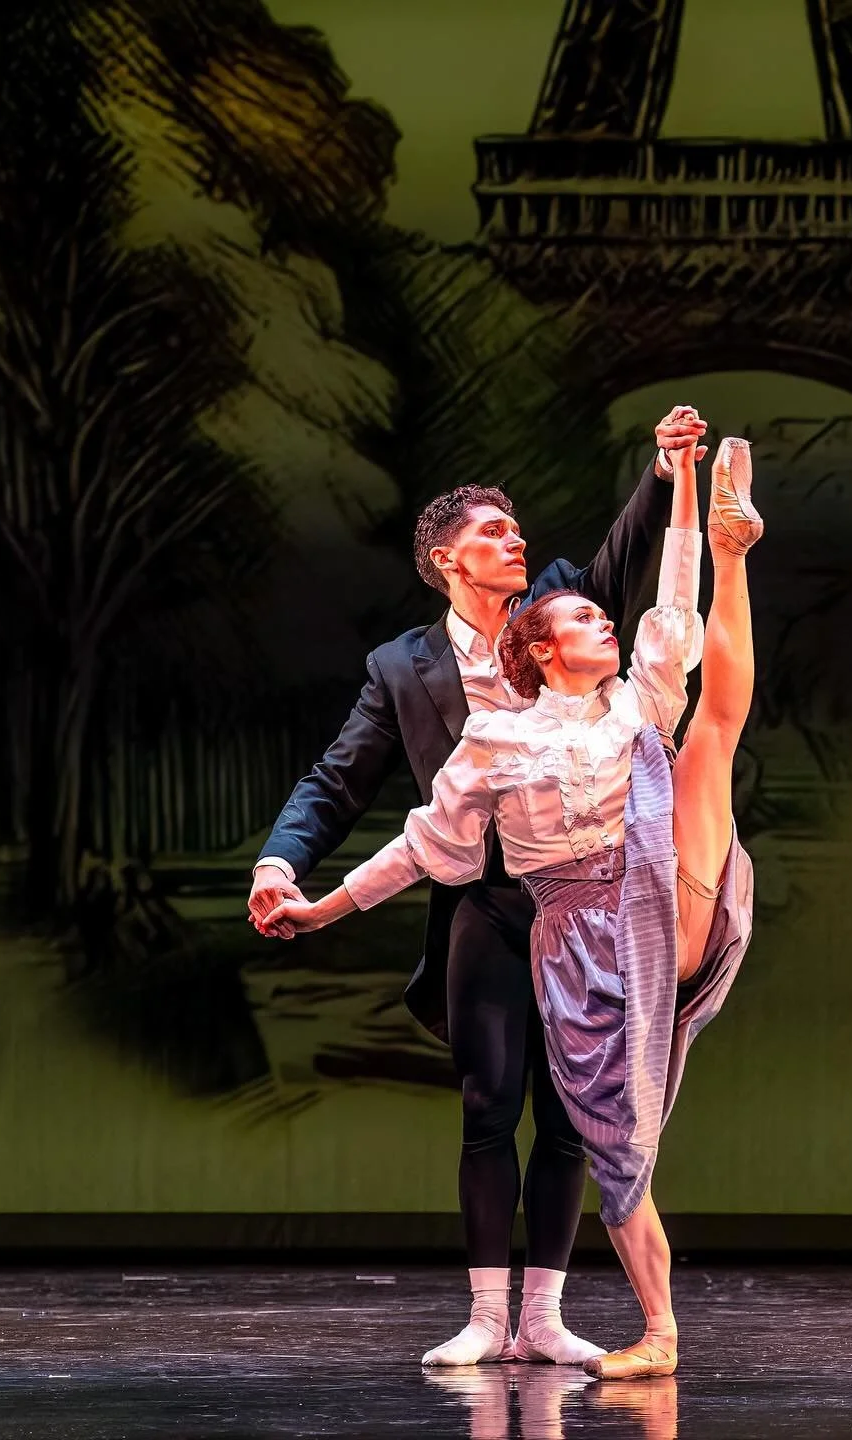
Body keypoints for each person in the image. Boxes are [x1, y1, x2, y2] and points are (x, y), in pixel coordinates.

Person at [267, 435, 762, 1379]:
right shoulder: (433, 688)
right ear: (449, 558)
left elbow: (658, 592)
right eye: (494, 532)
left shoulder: (610, 669)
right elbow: (388, 818)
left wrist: (677, 480)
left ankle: (547, 1315)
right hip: (507, 912)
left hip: (636, 903)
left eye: (516, 529)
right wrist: (303, 888)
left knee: (579, 1120)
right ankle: (492, 1317)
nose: (518, 543)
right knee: (505, 1106)